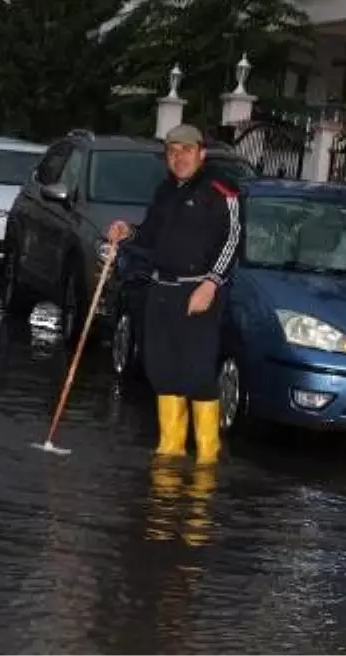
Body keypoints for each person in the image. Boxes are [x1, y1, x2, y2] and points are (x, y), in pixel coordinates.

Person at [106, 124, 241, 465]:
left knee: (196, 372)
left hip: (198, 293)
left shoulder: (221, 190)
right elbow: (149, 234)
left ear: (201, 153)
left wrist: (210, 284)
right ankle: (171, 449)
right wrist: (128, 231)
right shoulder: (165, 191)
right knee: (161, 369)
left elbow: (233, 240)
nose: (179, 157)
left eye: (186, 150)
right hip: (161, 290)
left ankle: (207, 456)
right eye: (172, 151)